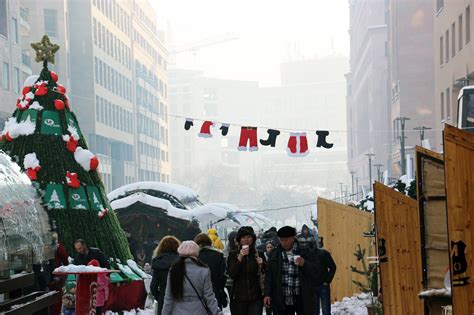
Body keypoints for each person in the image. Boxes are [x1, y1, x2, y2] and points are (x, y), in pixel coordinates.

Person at [264, 226, 323, 315]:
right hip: (281, 296)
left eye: (286, 240)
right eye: (281, 240)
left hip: (302, 296)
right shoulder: (274, 254)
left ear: (293, 238)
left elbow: (317, 270)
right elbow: (269, 276)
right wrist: (267, 294)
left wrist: (305, 264)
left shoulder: (305, 251)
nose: (283, 243)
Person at [161, 241, 223, 315]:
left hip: (178, 311)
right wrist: (217, 312)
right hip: (199, 311)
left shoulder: (174, 270)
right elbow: (209, 296)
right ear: (196, 253)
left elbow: (169, 297)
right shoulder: (204, 270)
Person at [227, 226, 266, 315]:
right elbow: (231, 274)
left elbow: (266, 273)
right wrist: (240, 258)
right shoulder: (233, 255)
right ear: (239, 240)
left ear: (253, 239)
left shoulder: (259, 254)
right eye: (243, 237)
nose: (246, 240)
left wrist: (262, 264)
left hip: (256, 296)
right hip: (239, 297)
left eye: (249, 237)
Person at [194, 233, 228, 310]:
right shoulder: (219, 254)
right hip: (215, 290)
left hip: (198, 292)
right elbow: (223, 275)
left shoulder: (195, 256)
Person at [150, 236, 181, 315]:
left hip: (163, 297)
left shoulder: (157, 262)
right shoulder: (182, 261)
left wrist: (159, 296)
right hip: (180, 297)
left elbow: (153, 286)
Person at [314, 248, 337, 315]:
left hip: (323, 285)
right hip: (312, 287)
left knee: (326, 311)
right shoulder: (306, 254)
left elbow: (333, 267)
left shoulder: (323, 253)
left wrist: (327, 281)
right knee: (314, 312)